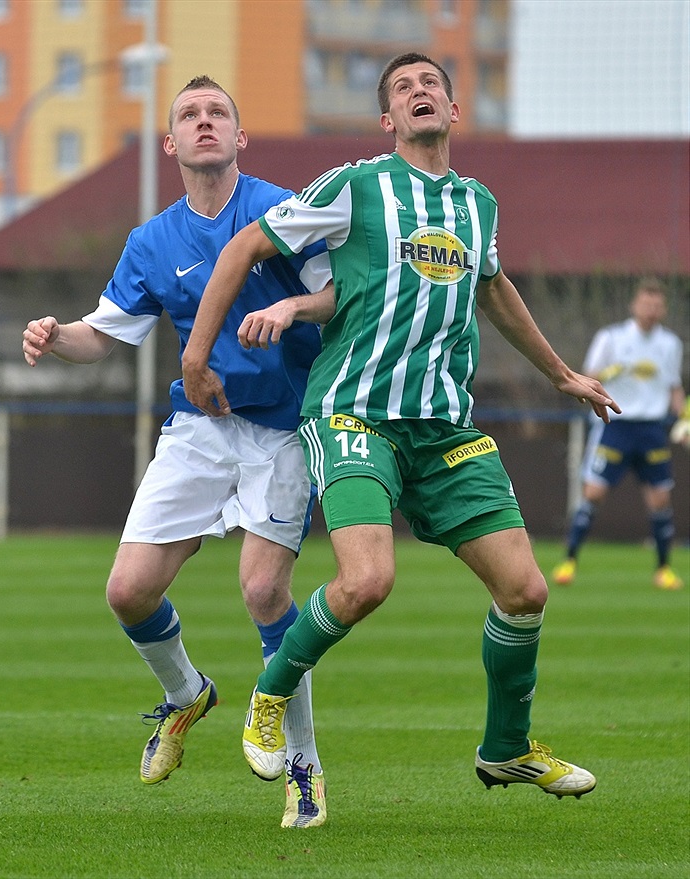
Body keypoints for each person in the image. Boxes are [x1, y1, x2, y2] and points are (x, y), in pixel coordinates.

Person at [181, 53, 620, 802]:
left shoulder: (478, 203)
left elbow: (493, 284)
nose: (420, 93)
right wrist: (196, 354)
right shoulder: (357, 186)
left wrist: (561, 373)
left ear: (454, 109)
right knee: (368, 578)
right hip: (353, 411)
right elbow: (245, 245)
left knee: (526, 591)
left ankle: (506, 748)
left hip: (445, 427)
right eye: (403, 89)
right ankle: (269, 696)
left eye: (431, 86)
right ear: (388, 120)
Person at [21, 76, 336, 829]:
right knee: (127, 591)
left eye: (218, 112)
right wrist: (55, 335)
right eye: (190, 115)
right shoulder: (151, 240)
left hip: (281, 427)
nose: (204, 123)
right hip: (197, 429)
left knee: (264, 593)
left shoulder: (279, 209)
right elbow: (104, 334)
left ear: (240, 136)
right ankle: (188, 692)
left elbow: (337, 295)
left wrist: (292, 305)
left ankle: (303, 763)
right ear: (170, 143)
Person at [553, 278, 686, 591]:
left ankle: (664, 569)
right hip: (615, 425)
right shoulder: (611, 337)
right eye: (646, 303)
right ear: (634, 305)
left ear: (663, 309)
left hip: (651, 429)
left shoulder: (670, 344)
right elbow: (586, 377)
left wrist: (683, 421)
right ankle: (569, 561)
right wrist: (615, 372)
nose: (651, 310)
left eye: (657, 305)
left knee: (661, 500)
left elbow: (674, 388)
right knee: (593, 495)